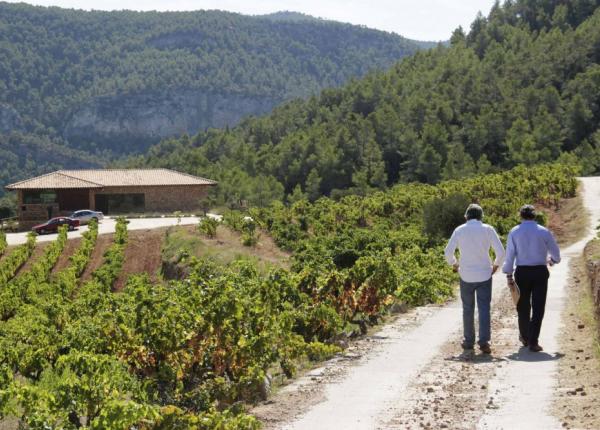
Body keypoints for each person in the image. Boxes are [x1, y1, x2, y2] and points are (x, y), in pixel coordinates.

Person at [445, 204, 505, 354]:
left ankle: (468, 341)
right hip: (485, 273)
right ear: (481, 216)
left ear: (466, 216)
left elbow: (448, 252)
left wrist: (454, 264)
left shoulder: (459, 230)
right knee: (484, 308)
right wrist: (496, 266)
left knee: (467, 308)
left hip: (466, 274)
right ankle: (484, 342)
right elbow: (501, 252)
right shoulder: (488, 229)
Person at [503, 204, 560, 352]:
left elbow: (510, 256)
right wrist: (551, 262)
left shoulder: (514, 232)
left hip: (522, 272)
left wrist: (509, 275)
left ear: (520, 216)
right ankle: (533, 341)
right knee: (538, 306)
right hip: (540, 271)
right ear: (534, 216)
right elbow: (556, 256)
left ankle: (525, 337)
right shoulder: (544, 231)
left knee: (523, 306)